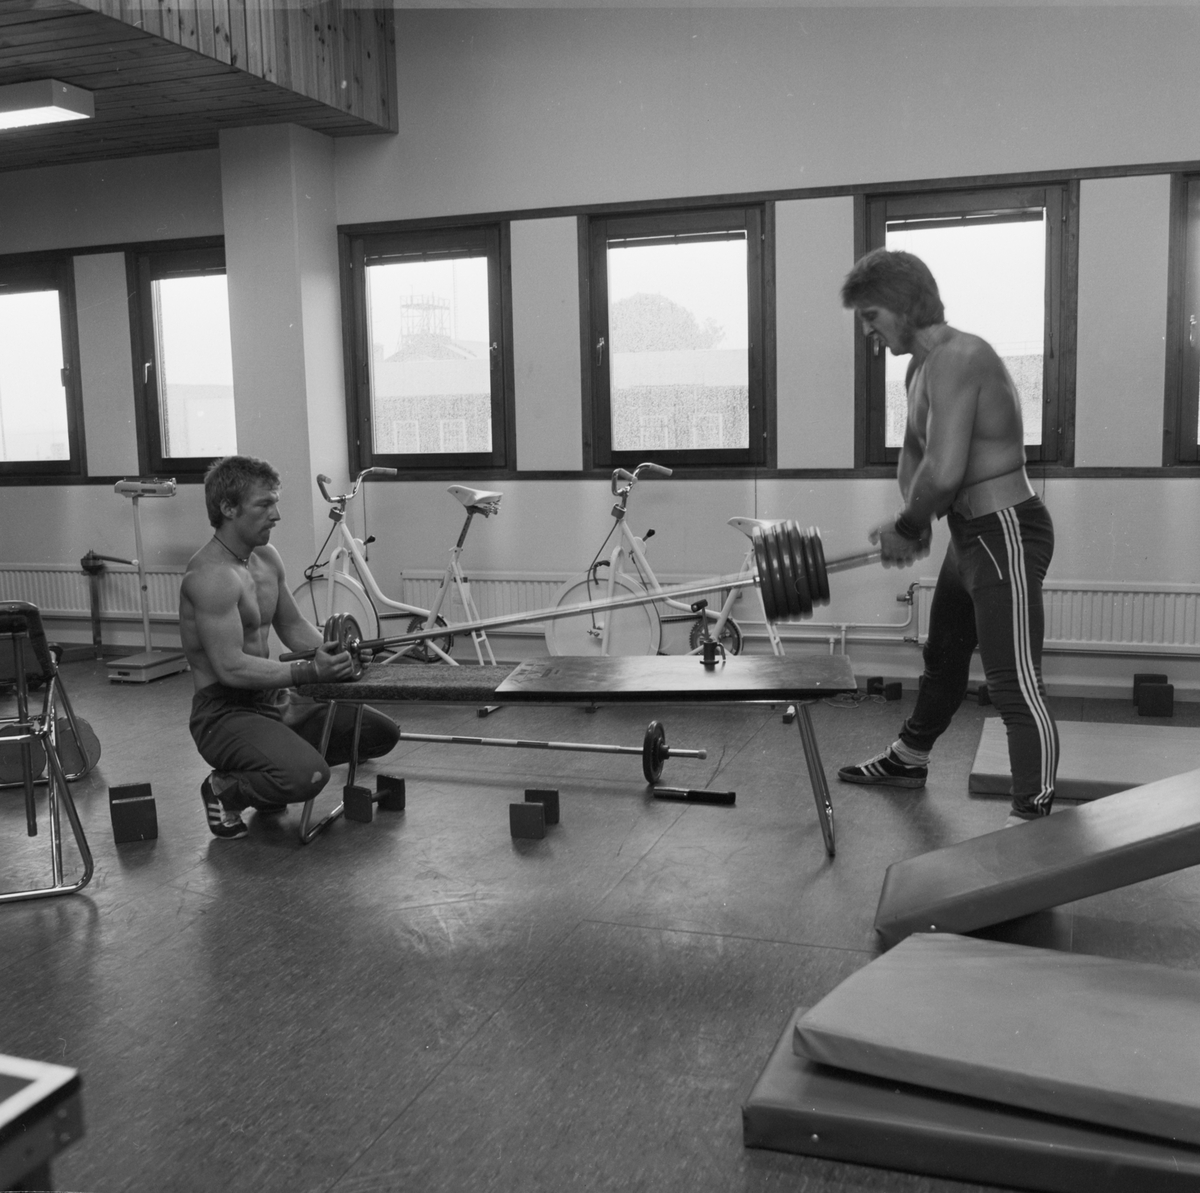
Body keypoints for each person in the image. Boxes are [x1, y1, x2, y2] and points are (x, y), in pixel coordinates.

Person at [836, 249, 1057, 825]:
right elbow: (916, 457)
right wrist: (915, 521)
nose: (867, 330)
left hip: (1005, 531)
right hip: (970, 534)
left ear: (906, 306)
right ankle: (909, 758)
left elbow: (946, 469)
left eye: (872, 315)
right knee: (945, 653)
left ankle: (1032, 819)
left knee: (1014, 684)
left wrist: (910, 525)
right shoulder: (919, 369)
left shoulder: (961, 357)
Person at [180, 455, 399, 839]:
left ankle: (268, 769)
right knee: (308, 776)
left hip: (272, 699)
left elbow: (294, 627)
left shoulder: (265, 559)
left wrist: (341, 652)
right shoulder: (210, 577)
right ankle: (225, 788)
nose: (276, 515)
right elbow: (230, 667)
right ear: (228, 508)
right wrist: (310, 671)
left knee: (380, 733)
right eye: (264, 505)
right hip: (225, 713)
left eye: (275, 503)